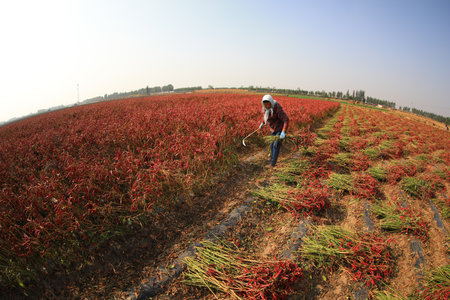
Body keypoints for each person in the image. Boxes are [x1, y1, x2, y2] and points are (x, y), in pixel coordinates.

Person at [259, 95, 289, 167]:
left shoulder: (277, 108)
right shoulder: (265, 109)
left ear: (271, 102)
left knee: (276, 145)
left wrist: (283, 131)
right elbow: (266, 116)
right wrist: (263, 123)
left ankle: (272, 164)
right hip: (273, 129)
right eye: (265, 104)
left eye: (268, 104)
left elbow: (286, 120)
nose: (267, 106)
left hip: (280, 129)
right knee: (271, 144)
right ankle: (272, 160)